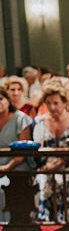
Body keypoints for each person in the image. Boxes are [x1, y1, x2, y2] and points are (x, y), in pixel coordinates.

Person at [32, 81, 69, 222]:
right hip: (46, 165)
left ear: (64, 102)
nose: (52, 107)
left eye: (56, 103)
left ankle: (66, 221)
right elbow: (37, 148)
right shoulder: (40, 122)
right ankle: (45, 221)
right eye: (48, 103)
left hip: (68, 164)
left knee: (63, 180)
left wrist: (60, 162)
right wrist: (46, 165)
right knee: (42, 181)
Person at [0, 87, 33, 223]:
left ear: (8, 100)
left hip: (17, 165)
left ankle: (16, 223)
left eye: (1, 99)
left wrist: (7, 167)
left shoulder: (20, 118)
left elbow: (23, 151)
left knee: (17, 180)